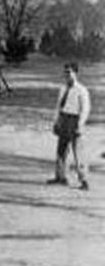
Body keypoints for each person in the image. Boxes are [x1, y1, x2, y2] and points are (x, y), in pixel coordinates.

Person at [49, 62, 90, 190]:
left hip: (74, 119)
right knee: (61, 149)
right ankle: (60, 177)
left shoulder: (81, 90)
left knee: (78, 151)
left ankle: (84, 180)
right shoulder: (63, 88)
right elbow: (58, 106)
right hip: (64, 118)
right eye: (65, 72)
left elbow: (85, 108)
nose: (67, 74)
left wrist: (80, 124)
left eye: (69, 72)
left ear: (75, 73)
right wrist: (56, 121)